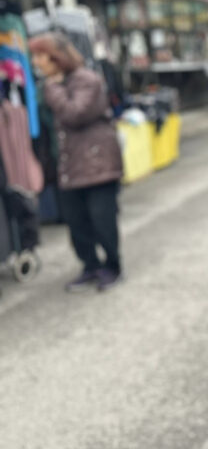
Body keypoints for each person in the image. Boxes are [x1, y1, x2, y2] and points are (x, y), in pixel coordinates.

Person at [29, 32, 124, 292]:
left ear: (56, 57)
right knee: (76, 222)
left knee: (102, 220)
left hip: (97, 164)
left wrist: (53, 89)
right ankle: (90, 266)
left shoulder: (87, 80)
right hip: (69, 165)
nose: (36, 62)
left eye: (40, 56)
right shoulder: (49, 84)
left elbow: (75, 114)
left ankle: (113, 266)